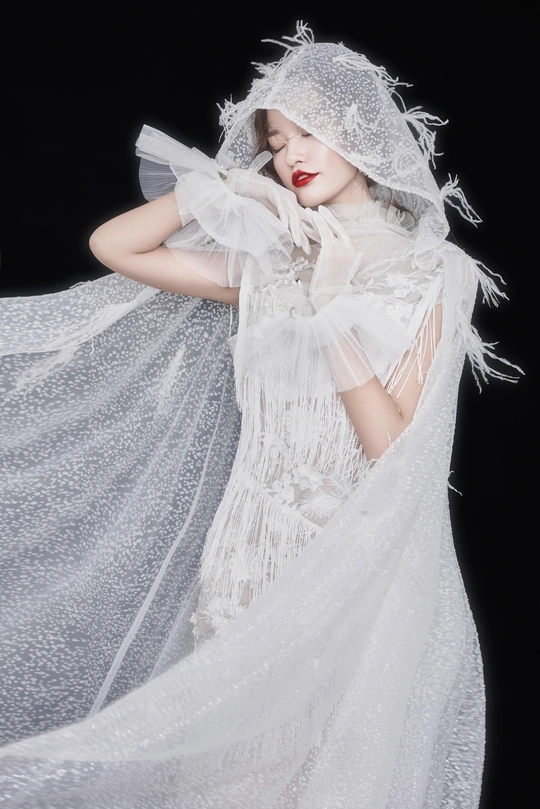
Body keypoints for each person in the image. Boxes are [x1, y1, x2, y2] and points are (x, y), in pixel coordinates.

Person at [0, 22, 523, 809]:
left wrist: (330, 308)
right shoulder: (270, 260)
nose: (290, 154)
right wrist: (230, 188)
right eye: (275, 142)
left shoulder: (431, 270)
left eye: (309, 131)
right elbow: (115, 245)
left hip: (350, 567)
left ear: (361, 135)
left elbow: (393, 447)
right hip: (247, 561)